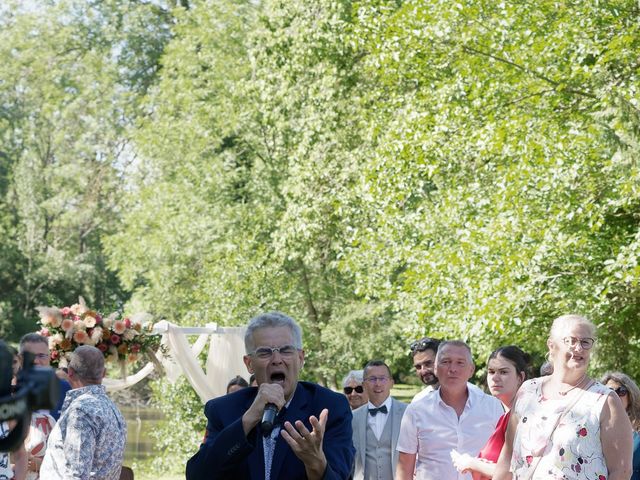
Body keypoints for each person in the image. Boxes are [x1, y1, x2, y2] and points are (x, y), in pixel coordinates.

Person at [186, 311, 355, 480]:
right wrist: (248, 420)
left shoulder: (330, 407)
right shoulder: (223, 410)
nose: (276, 359)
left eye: (286, 350)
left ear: (301, 358)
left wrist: (316, 463)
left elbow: (339, 475)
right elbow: (197, 475)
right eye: (265, 353)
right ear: (249, 364)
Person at [494, 314, 633, 480]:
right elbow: (508, 456)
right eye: (571, 341)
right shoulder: (528, 391)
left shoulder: (605, 401)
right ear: (551, 346)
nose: (579, 348)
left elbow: (622, 471)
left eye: (585, 342)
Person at [396, 340, 504, 480]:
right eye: (446, 362)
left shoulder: (493, 407)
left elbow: (505, 461)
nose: (452, 369)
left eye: (460, 362)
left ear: (471, 370)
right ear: (435, 368)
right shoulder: (416, 411)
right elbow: (404, 468)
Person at [40, 345, 127, 480]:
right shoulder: (113, 409)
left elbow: (77, 474)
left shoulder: (81, 411)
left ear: (70, 372)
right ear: (103, 373)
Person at [451, 346, 530, 479]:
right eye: (491, 372)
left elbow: (518, 473)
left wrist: (472, 463)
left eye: (503, 372)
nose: (495, 378)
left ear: (520, 377)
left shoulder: (525, 417)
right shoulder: (504, 416)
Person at [352, 360, 407, 480]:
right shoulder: (353, 417)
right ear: (364, 385)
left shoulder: (407, 413)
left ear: (391, 383)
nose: (377, 384)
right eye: (372, 379)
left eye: (382, 378)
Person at [19, 334, 71, 421]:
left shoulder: (67, 390)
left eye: (41, 356)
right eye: (30, 356)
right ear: (20, 359)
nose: (35, 361)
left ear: (50, 357)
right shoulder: (9, 393)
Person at [600, 371, 640, 480]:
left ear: (630, 395)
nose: (615, 396)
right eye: (609, 391)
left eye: (621, 391)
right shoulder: (594, 428)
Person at [409, 337, 441, 402]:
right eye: (418, 367)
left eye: (428, 363)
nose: (423, 371)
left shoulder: (466, 394)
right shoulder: (418, 400)